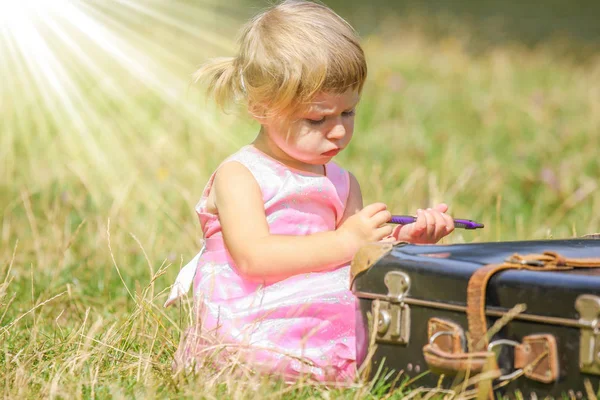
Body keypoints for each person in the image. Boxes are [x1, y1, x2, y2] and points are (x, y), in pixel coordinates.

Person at [164, 0, 455, 383]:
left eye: (348, 113)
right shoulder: (240, 175)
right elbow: (254, 259)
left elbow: (357, 261)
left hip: (322, 303)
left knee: (396, 309)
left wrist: (401, 240)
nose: (338, 131)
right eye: (317, 118)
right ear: (261, 109)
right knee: (280, 349)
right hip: (254, 308)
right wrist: (346, 241)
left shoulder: (342, 182)